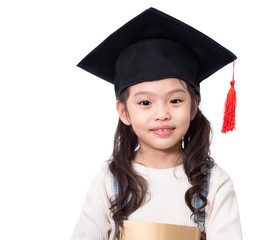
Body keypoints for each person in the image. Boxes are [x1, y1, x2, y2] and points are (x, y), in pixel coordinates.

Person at [71, 7, 242, 240]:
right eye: (145, 102)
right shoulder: (109, 182)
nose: (161, 114)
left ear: (193, 107)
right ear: (124, 112)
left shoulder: (214, 184)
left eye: (175, 100)